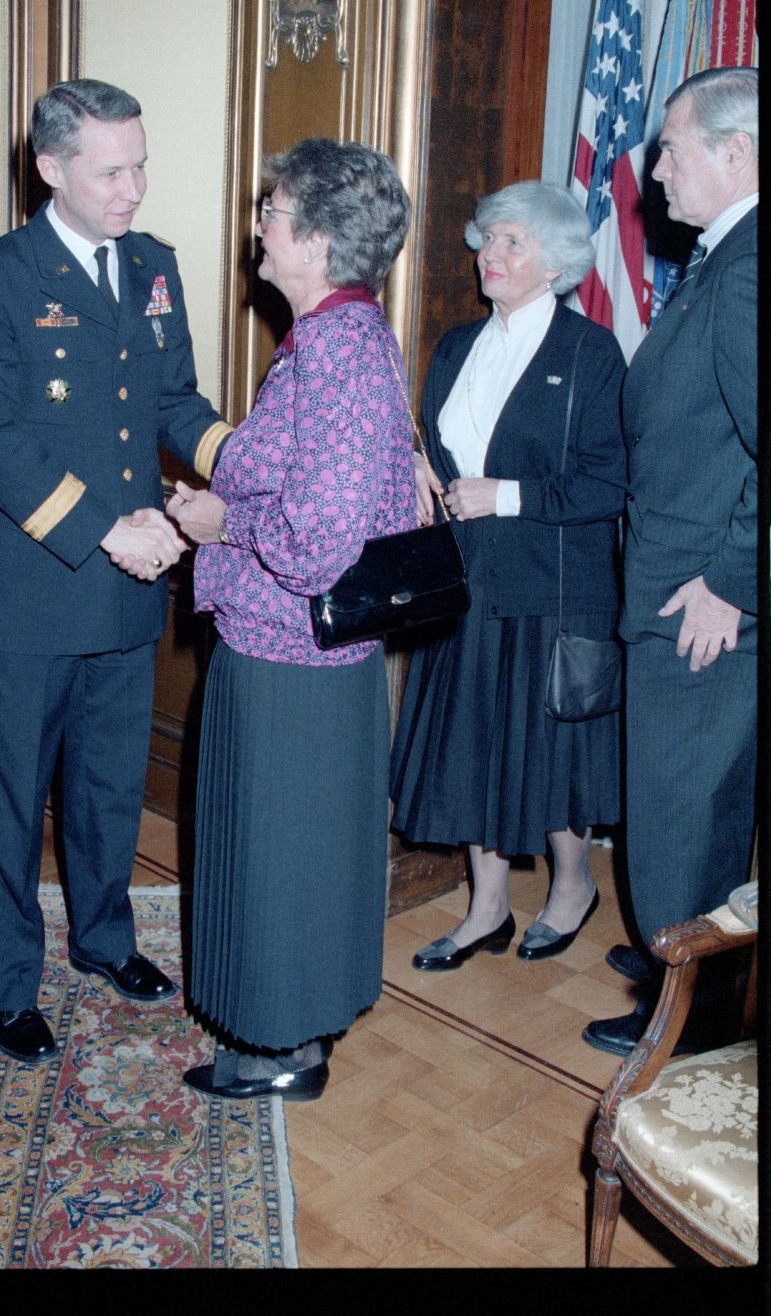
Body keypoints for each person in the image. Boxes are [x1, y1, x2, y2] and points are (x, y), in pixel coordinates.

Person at [0, 78, 233, 1065]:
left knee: (110, 783)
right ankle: (4, 981)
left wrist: (245, 458)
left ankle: (105, 942)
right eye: (111, 170)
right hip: (35, 590)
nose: (134, 187)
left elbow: (175, 404)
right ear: (50, 167)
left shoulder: (152, 269)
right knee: (11, 798)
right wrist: (113, 527)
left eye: (141, 162)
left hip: (130, 586)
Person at [165, 138, 416, 1101]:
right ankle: (295, 1036)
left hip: (290, 661)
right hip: (307, 656)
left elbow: (315, 540)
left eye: (270, 209)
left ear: (312, 239)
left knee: (276, 856)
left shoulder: (339, 351)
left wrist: (223, 519)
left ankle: (275, 1053)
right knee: (300, 852)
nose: (256, 225)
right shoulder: (342, 338)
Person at [390, 182, 626, 971]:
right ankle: (485, 908)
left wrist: (507, 495)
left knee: (547, 755)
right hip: (467, 584)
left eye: (512, 242)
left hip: (551, 590)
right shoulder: (458, 345)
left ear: (556, 263)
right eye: (488, 238)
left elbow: (611, 483)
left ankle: (571, 886)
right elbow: (440, 451)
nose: (490, 254)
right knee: (473, 749)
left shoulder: (590, 354)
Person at [583, 66, 758, 1056]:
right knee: (692, 811)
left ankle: (684, 1030)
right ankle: (681, 968)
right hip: (685, 585)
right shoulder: (725, 260)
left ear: (734, 154)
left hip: (701, 605)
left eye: (671, 147)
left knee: (682, 815)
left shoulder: (743, 270)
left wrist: (730, 583)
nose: (653, 170)